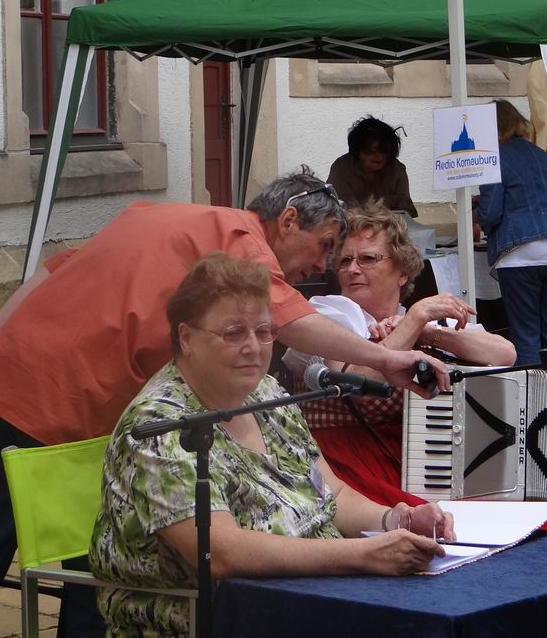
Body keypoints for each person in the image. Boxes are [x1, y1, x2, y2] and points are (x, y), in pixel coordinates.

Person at [0, 168, 463, 624]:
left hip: (18, 384)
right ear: (287, 220)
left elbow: (54, 269)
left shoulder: (162, 217)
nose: (322, 264)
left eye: (260, 334)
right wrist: (385, 359)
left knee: (94, 564)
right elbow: (290, 320)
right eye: (324, 246)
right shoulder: (239, 237)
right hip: (48, 402)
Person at [90, 253, 452, 637]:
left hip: (311, 599)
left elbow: (331, 494)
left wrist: (395, 520)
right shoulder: (160, 426)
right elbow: (221, 553)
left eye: (264, 332)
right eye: (234, 333)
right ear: (187, 338)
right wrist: (364, 554)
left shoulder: (265, 391)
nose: (254, 347)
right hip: (212, 621)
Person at [283, 203, 516, 505]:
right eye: (345, 261)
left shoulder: (420, 321)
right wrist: (414, 320)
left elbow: (504, 354)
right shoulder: (329, 312)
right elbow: (357, 385)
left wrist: (425, 331)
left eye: (368, 259)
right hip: (347, 464)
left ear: (403, 272)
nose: (352, 269)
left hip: (428, 461)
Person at [477, 100, 547, 372]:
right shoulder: (540, 154)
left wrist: (477, 216)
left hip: (521, 249)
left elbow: (491, 212)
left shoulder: (493, 157)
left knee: (526, 336)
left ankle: (531, 397)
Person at [327, 115, 417, 215]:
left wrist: (366, 206)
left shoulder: (397, 169)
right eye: (373, 152)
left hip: (392, 224)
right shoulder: (341, 169)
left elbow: (406, 210)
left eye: (385, 151)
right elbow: (340, 211)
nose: (380, 157)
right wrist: (390, 201)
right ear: (357, 151)